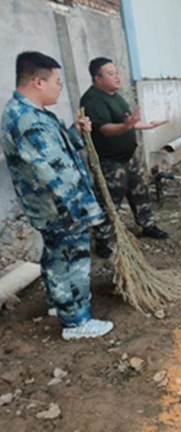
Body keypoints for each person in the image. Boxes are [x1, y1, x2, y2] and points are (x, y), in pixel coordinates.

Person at [1, 52, 113, 339]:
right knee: (72, 260)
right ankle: (77, 321)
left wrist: (73, 133)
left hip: (50, 207)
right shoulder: (26, 120)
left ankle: (59, 305)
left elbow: (53, 154)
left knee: (55, 256)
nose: (59, 89)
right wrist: (87, 208)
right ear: (38, 82)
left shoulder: (28, 114)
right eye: (57, 83)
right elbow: (55, 173)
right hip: (61, 207)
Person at [80, 57, 169, 259]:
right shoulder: (93, 100)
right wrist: (127, 126)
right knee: (110, 201)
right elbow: (106, 130)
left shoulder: (115, 97)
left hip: (129, 158)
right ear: (98, 78)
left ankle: (147, 224)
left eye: (117, 72)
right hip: (110, 163)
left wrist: (149, 125)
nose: (117, 76)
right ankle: (103, 240)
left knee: (140, 191)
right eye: (111, 73)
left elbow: (128, 122)